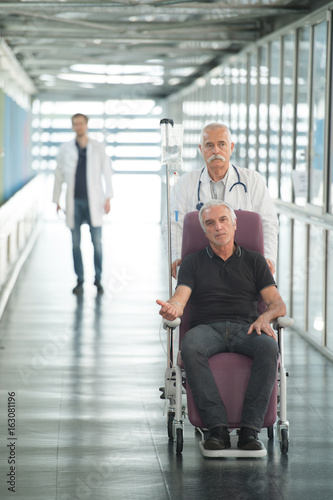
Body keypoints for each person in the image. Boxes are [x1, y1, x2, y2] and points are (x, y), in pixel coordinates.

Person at [157, 200, 286, 451]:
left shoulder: (255, 261)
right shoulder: (192, 262)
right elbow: (180, 298)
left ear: (235, 225)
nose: (218, 227)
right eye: (210, 223)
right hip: (207, 329)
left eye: (223, 220)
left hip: (246, 328)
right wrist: (173, 307)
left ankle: (250, 431)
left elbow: (278, 305)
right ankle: (216, 429)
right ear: (204, 231)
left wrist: (264, 318)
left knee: (269, 348)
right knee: (191, 347)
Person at [161, 122, 278, 278]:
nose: (216, 151)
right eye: (209, 145)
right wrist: (176, 257)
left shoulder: (252, 180)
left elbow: (268, 222)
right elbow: (172, 222)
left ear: (231, 147)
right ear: (201, 150)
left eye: (221, 144)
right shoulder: (185, 183)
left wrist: (268, 258)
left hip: (244, 267)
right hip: (200, 267)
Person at [53, 113, 113, 294]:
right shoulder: (65, 149)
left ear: (86, 125)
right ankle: (79, 280)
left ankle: (98, 279)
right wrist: (56, 200)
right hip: (74, 202)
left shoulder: (97, 147)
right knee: (75, 244)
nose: (79, 126)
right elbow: (58, 175)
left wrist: (108, 198)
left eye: (81, 123)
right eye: (76, 124)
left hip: (94, 202)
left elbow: (107, 172)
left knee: (97, 243)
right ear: (73, 127)